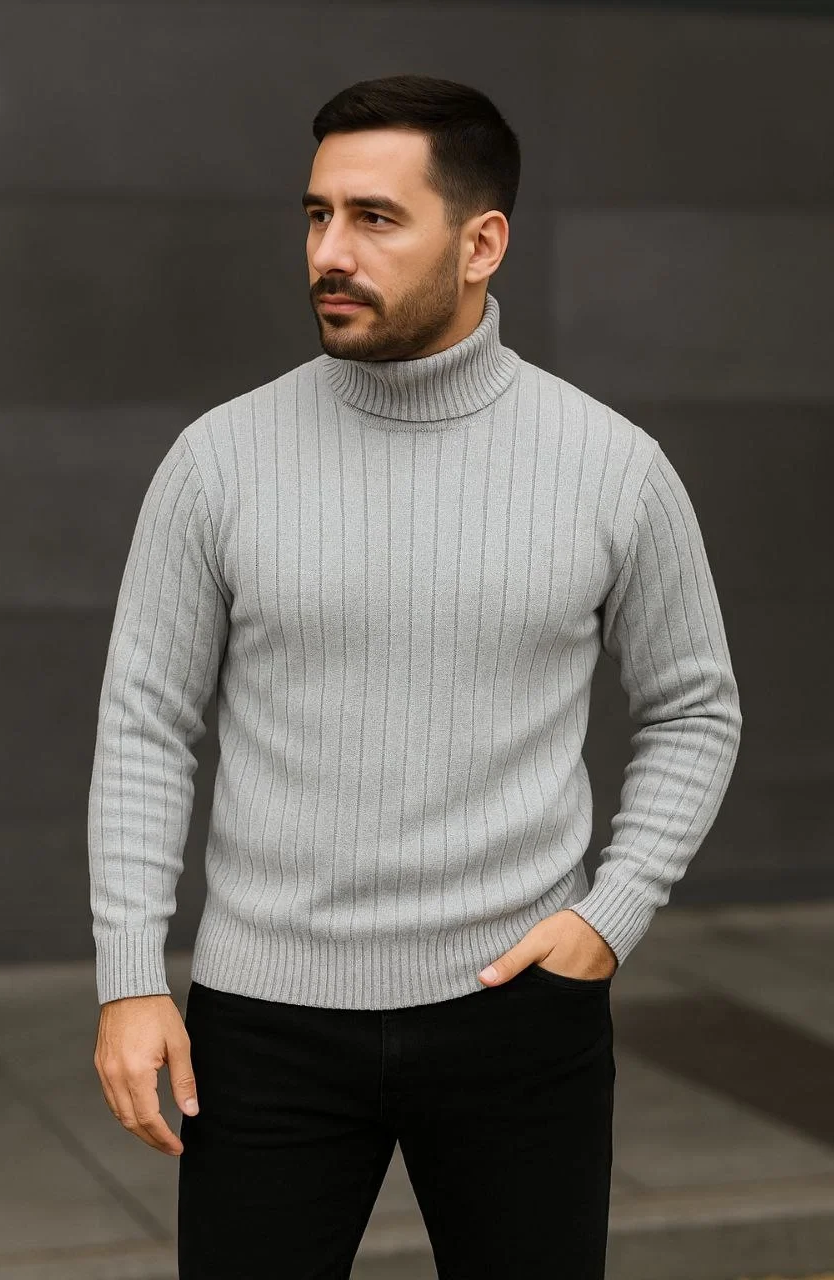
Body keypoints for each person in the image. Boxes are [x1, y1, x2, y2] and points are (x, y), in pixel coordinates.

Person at [88, 73, 742, 1279]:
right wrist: (130, 977)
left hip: (519, 1013)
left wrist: (611, 914)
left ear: (481, 243)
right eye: (316, 213)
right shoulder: (215, 461)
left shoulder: (613, 467)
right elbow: (145, 724)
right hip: (264, 1023)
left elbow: (695, 705)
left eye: (374, 218)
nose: (328, 252)